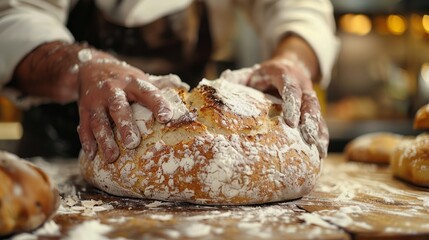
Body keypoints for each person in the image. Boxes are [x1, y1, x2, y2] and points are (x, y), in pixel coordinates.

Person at [0, 0, 339, 163]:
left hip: (198, 156)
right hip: (61, 156)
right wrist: (81, 65)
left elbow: (298, 8)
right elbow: (12, 20)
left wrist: (294, 56)